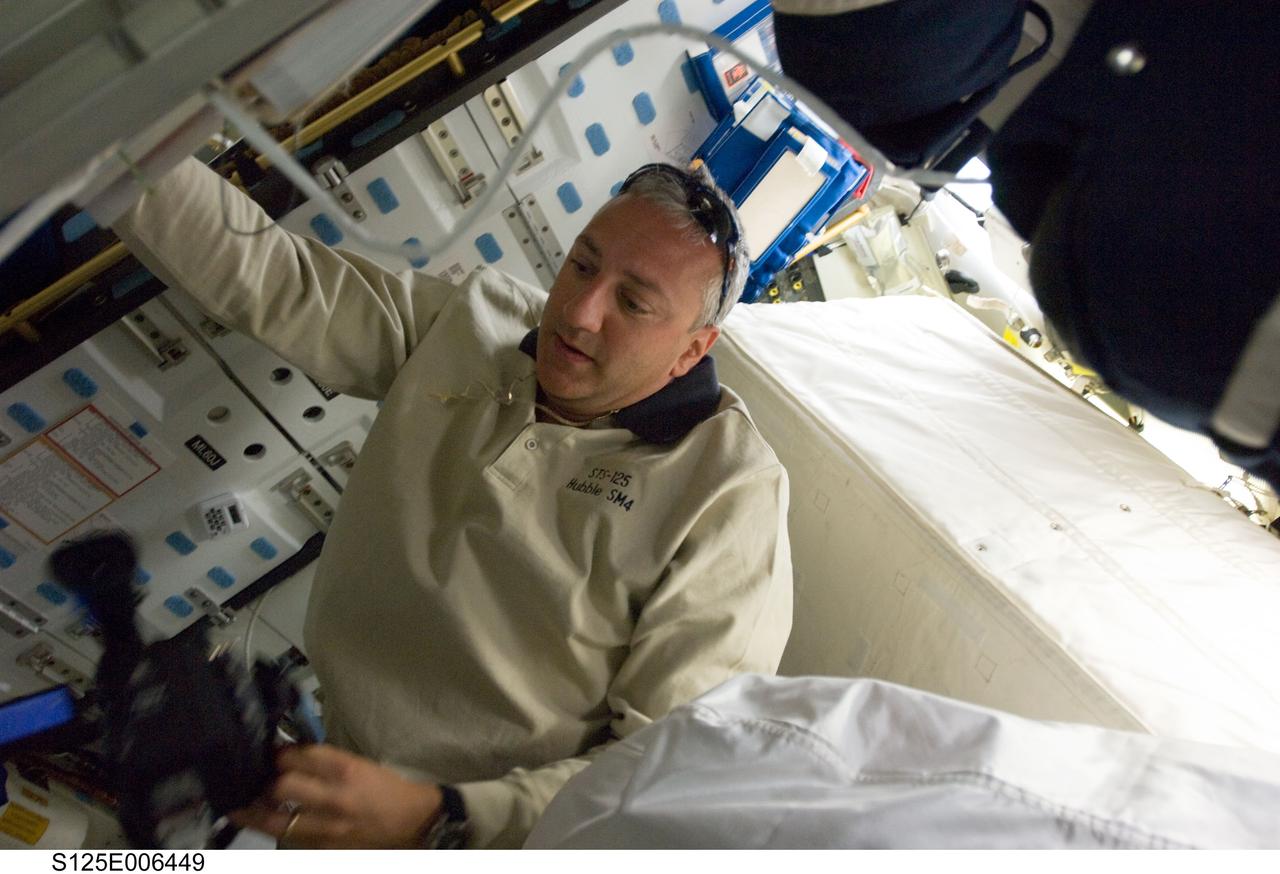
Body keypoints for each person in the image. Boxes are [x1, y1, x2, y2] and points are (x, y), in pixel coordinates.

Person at [112, 157, 794, 848]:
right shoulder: (476, 327)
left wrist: (439, 816)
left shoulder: (727, 494)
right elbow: (280, 281)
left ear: (692, 350)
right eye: (584, 266)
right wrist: (111, 150)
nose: (581, 312)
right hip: (338, 773)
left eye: (633, 303)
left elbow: (665, 772)